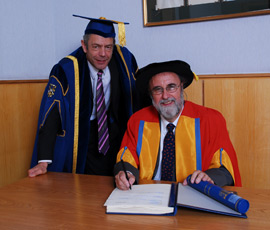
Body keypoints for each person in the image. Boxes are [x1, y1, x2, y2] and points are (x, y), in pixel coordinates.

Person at [28, 15, 138, 177]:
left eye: (108, 47)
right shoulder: (66, 70)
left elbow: (138, 94)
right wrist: (43, 162)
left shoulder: (124, 60)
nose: (103, 54)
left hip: (116, 134)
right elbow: (51, 114)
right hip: (83, 138)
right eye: (96, 47)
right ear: (84, 46)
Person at [114, 60, 242, 190]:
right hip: (148, 196)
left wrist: (209, 177)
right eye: (157, 89)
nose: (165, 95)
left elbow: (224, 165)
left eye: (171, 87)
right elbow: (127, 158)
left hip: (195, 195)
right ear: (150, 94)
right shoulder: (138, 121)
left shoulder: (210, 120)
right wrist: (126, 175)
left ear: (182, 87)